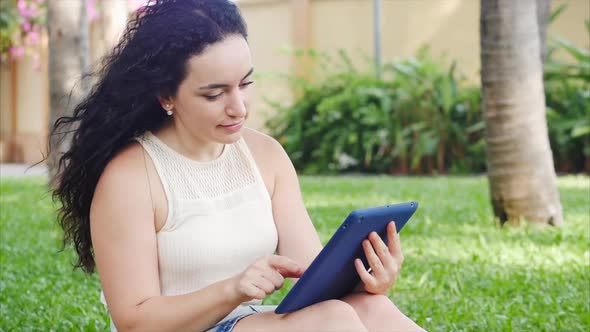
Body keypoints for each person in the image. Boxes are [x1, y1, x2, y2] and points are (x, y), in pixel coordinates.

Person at [50, 0, 425, 331]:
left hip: (253, 322)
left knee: (369, 308)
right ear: (166, 96)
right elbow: (135, 321)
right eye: (215, 93)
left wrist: (368, 280)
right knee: (334, 321)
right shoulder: (131, 177)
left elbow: (315, 278)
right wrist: (232, 289)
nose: (239, 107)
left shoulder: (266, 156)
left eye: (245, 84)